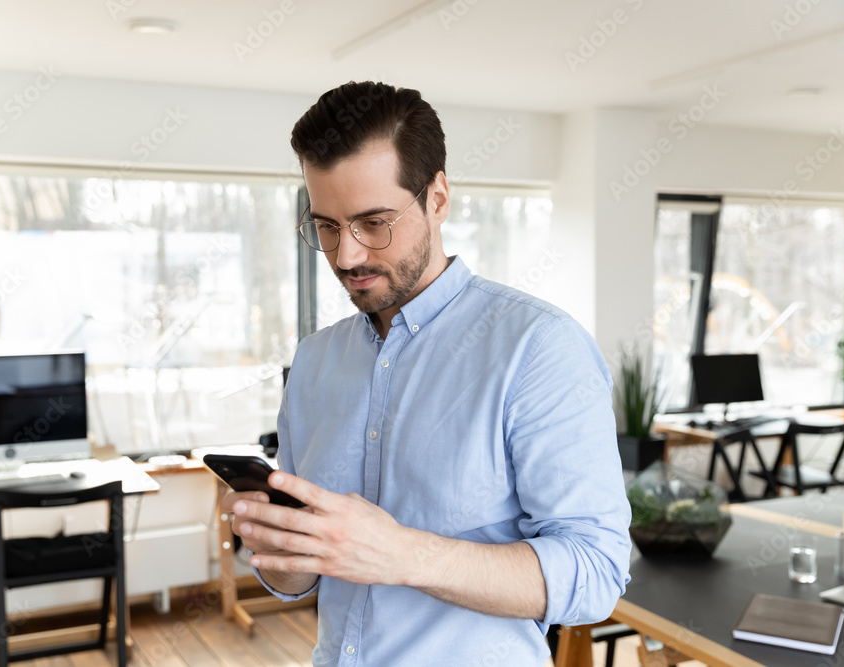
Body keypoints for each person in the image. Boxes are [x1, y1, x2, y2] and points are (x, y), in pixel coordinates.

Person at [223, 81, 631, 666]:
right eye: (328, 227)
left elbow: (596, 574)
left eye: (374, 221)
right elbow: (305, 580)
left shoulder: (539, 348)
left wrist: (402, 555)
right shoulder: (314, 362)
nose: (347, 256)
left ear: (438, 197)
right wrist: (282, 554)